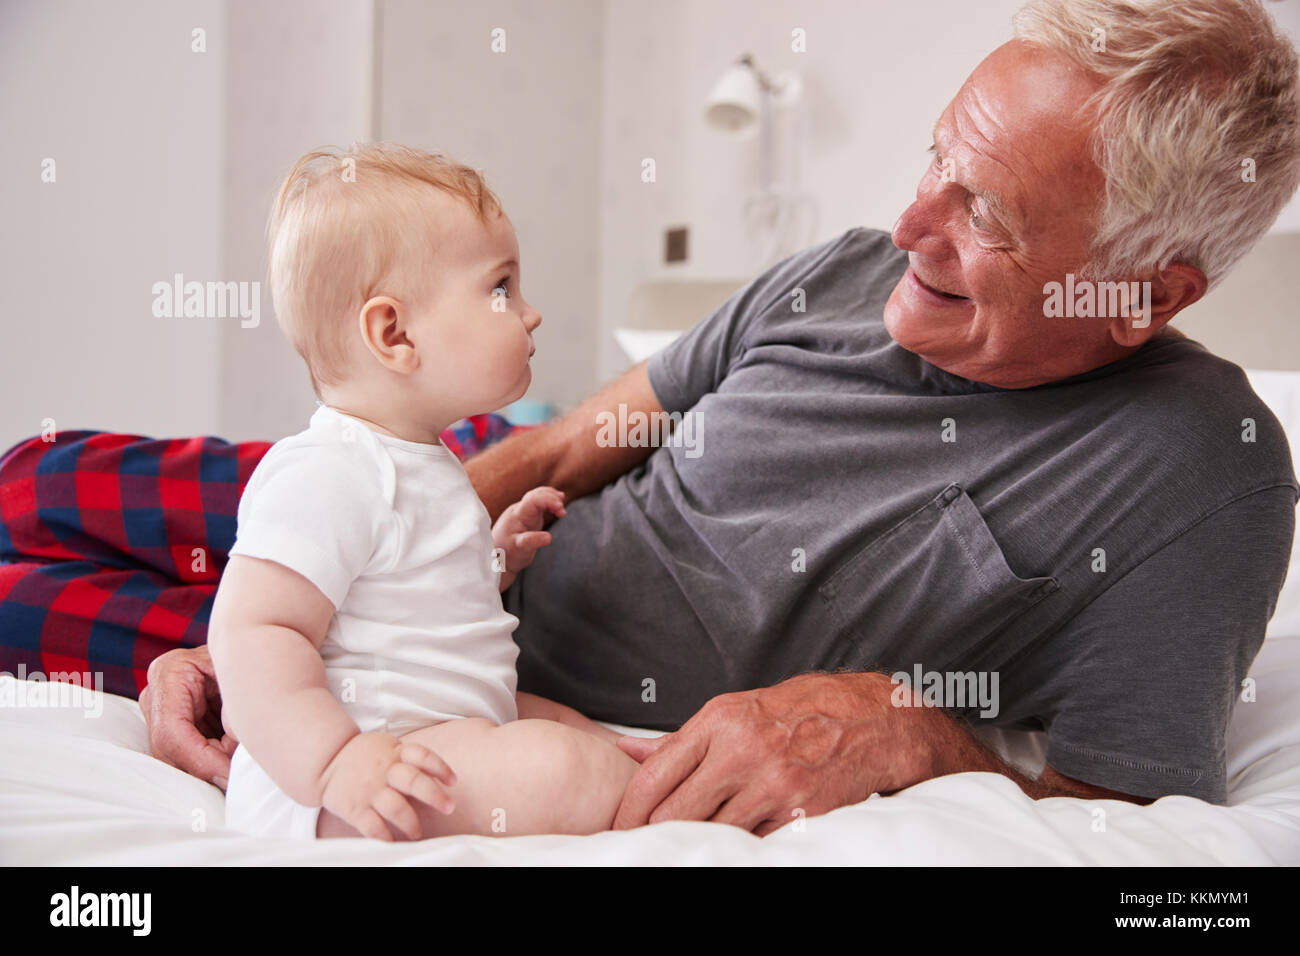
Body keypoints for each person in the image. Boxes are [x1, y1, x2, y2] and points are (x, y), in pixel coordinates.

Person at [130, 0, 1300, 832]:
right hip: (415, 534)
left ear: (1145, 293)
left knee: (30, 584)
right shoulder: (833, 272)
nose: (903, 225)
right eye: (935, 156)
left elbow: (1131, 819)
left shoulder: (1198, 474)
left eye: (983, 210)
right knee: (38, 484)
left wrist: (910, 728)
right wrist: (261, 613)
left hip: (474, 693)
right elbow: (554, 447)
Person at [212, 144, 636, 840]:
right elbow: (252, 631)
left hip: (441, 731)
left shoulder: (426, 461)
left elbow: (407, 595)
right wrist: (335, 761)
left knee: (584, 733)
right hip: (357, 780)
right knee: (569, 769)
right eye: (501, 289)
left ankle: (628, 782)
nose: (529, 314)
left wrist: (490, 559)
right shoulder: (328, 470)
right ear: (395, 333)